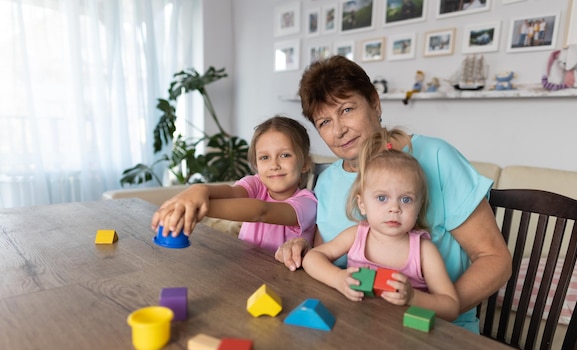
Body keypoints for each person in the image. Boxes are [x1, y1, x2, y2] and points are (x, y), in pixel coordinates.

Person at [274, 55, 511, 333]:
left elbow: (495, 260)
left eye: (347, 109)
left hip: (434, 330)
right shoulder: (326, 181)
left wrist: (432, 309)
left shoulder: (436, 156)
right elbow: (328, 257)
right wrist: (302, 247)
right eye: (324, 122)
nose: (339, 130)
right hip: (354, 325)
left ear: (374, 102)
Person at [302, 129, 460, 321]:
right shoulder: (356, 235)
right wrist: (337, 279)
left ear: (419, 207)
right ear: (362, 204)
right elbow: (312, 258)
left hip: (404, 337)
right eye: (382, 198)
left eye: (406, 200)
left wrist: (413, 297)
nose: (394, 208)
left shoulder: (424, 251)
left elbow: (451, 307)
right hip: (358, 327)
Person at [151, 116, 317, 253]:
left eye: (285, 155)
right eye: (264, 157)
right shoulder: (257, 184)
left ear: (305, 164)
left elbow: (262, 211)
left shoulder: (307, 203)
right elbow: (231, 193)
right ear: (256, 164)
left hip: (286, 280)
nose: (274, 165)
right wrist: (198, 190)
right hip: (246, 270)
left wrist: (198, 209)